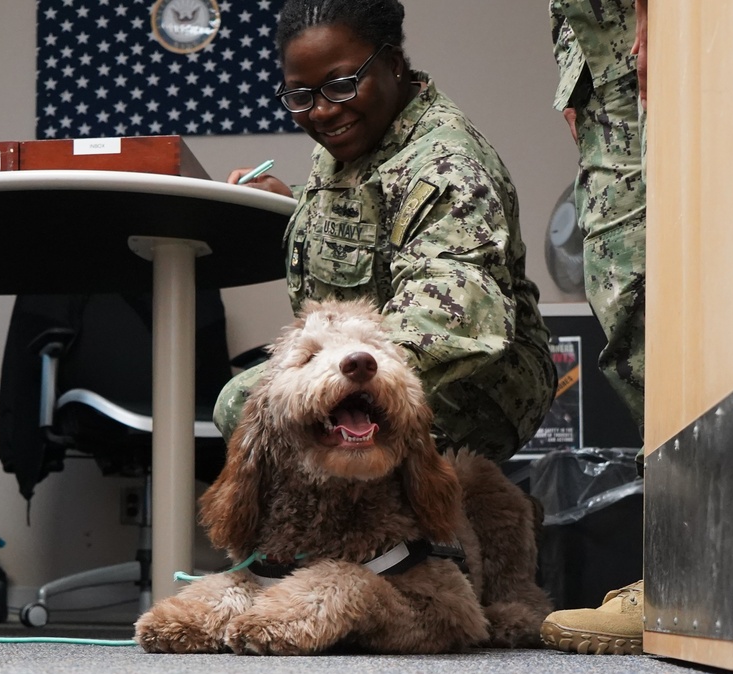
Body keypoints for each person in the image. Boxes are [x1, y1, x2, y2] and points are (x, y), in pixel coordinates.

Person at [213, 0, 557, 466]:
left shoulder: (446, 167)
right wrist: (295, 202)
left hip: (478, 384)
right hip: (368, 358)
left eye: (339, 86)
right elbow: (375, 215)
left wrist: (324, 378)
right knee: (261, 404)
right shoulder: (362, 138)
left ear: (393, 64)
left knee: (249, 406)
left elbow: (452, 320)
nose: (321, 112)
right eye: (300, 96)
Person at [540, 0, 648, 656]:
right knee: (634, 319)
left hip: (639, 68)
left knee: (653, 317)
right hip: (603, 76)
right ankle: (687, 571)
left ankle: (689, 579)